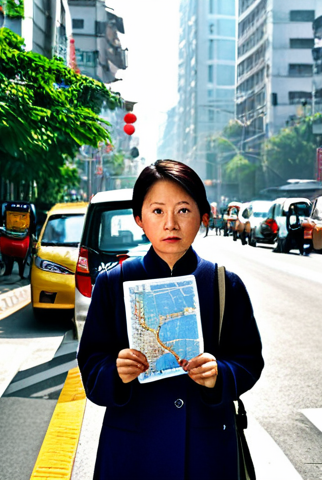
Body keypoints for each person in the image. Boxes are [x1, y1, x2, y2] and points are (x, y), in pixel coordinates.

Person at [77, 160, 264, 480]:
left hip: (206, 451)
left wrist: (220, 374)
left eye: (184, 210)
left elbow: (249, 361)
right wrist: (115, 372)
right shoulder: (113, 283)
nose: (171, 224)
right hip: (132, 452)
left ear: (203, 216)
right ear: (139, 218)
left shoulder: (224, 283)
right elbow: (92, 365)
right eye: (158, 211)